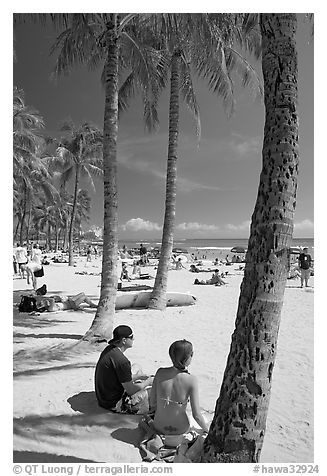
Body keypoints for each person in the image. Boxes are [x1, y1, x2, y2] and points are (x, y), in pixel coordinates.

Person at [149, 339, 209, 437]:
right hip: (180, 429)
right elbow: (197, 416)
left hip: (159, 426)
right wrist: (208, 431)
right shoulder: (191, 379)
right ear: (189, 356)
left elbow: (152, 403)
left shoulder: (160, 372)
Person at [95, 325, 153, 413]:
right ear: (124, 340)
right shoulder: (122, 361)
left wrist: (138, 376)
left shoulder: (109, 349)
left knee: (136, 367)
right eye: (131, 337)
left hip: (104, 398)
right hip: (116, 404)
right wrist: (148, 382)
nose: (133, 339)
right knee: (154, 390)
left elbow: (117, 376)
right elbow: (131, 390)